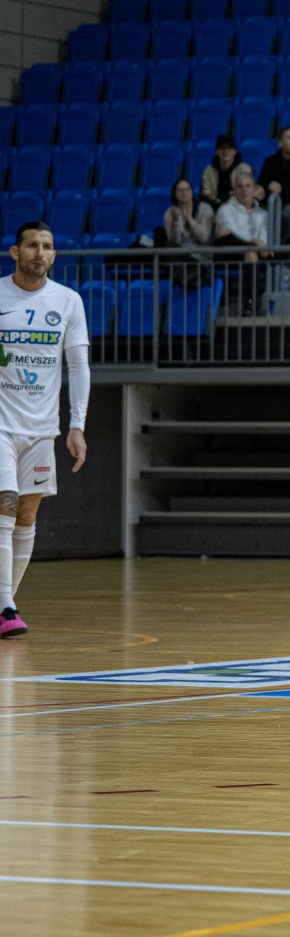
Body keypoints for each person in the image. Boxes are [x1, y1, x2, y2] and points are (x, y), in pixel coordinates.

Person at [0, 224, 90, 639]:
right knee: (5, 505)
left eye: (48, 247)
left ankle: (5, 603)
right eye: (33, 245)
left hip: (41, 429)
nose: (40, 252)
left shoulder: (68, 301)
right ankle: (6, 606)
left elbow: (79, 366)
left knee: (27, 515)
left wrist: (77, 426)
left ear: (54, 255)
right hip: (1, 425)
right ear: (15, 251)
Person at [214, 169, 272, 315]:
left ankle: (260, 303)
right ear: (234, 190)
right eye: (240, 186)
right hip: (226, 251)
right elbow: (230, 234)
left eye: (248, 186)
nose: (244, 190)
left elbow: (263, 236)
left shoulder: (263, 214)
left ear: (254, 189)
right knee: (251, 252)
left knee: (266, 253)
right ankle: (250, 303)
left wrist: (262, 246)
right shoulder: (225, 209)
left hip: (253, 252)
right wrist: (255, 242)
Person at [199, 133, 251, 212]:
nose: (226, 151)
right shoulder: (209, 170)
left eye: (229, 148)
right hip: (214, 205)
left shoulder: (244, 168)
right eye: (222, 148)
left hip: (238, 206)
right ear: (216, 151)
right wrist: (218, 203)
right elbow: (205, 192)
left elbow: (246, 192)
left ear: (235, 151)